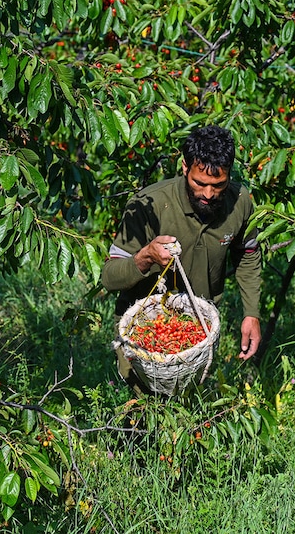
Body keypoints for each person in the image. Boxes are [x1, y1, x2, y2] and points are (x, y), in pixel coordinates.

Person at [101, 125, 262, 392]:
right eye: (199, 183)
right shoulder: (148, 204)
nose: (208, 194)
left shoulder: (240, 201)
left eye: (218, 185)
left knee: (190, 406)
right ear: (185, 167)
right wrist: (145, 257)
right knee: (143, 410)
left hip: (198, 326)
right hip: (146, 328)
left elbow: (248, 255)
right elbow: (109, 277)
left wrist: (251, 313)